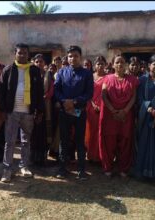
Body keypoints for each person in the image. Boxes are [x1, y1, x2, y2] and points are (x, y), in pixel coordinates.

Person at [0, 43, 44, 183]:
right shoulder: (8, 70)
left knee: (26, 142)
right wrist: (3, 110)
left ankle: (24, 167)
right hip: (12, 112)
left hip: (28, 113)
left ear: (28, 54)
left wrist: (40, 111)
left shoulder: (34, 71)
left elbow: (40, 92)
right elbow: (1, 91)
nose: (22, 55)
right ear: (15, 54)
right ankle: (7, 170)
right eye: (20, 52)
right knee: (10, 142)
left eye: (25, 53)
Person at [54, 45, 94, 180]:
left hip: (79, 112)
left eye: (76, 56)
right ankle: (62, 168)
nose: (73, 58)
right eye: (70, 56)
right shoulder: (61, 72)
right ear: (67, 57)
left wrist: (75, 101)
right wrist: (64, 101)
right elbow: (56, 90)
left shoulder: (87, 73)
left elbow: (89, 93)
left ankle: (81, 169)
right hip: (64, 111)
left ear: (80, 57)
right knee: (64, 141)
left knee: (79, 141)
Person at [99, 55, 139, 177]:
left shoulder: (132, 79)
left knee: (125, 141)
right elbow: (104, 96)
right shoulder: (107, 78)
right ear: (113, 64)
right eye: (117, 62)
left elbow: (134, 97)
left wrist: (125, 111)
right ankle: (108, 167)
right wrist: (113, 110)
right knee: (109, 141)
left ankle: (123, 168)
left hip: (126, 116)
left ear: (126, 64)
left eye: (122, 62)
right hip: (109, 115)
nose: (120, 64)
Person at [85, 56, 107, 163]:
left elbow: (107, 94)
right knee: (90, 132)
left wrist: (101, 106)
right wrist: (93, 104)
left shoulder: (108, 78)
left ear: (105, 65)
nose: (100, 66)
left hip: (103, 108)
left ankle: (99, 156)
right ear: (94, 65)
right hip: (90, 107)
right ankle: (90, 155)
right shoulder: (90, 76)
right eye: (98, 64)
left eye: (102, 63)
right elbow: (88, 92)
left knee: (100, 132)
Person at [30, 54, 49, 166]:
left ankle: (42, 157)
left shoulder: (48, 75)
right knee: (33, 134)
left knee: (43, 133)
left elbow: (52, 89)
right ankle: (32, 158)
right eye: (36, 61)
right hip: (32, 108)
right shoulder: (30, 75)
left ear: (44, 63)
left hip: (45, 107)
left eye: (41, 61)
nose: (39, 63)